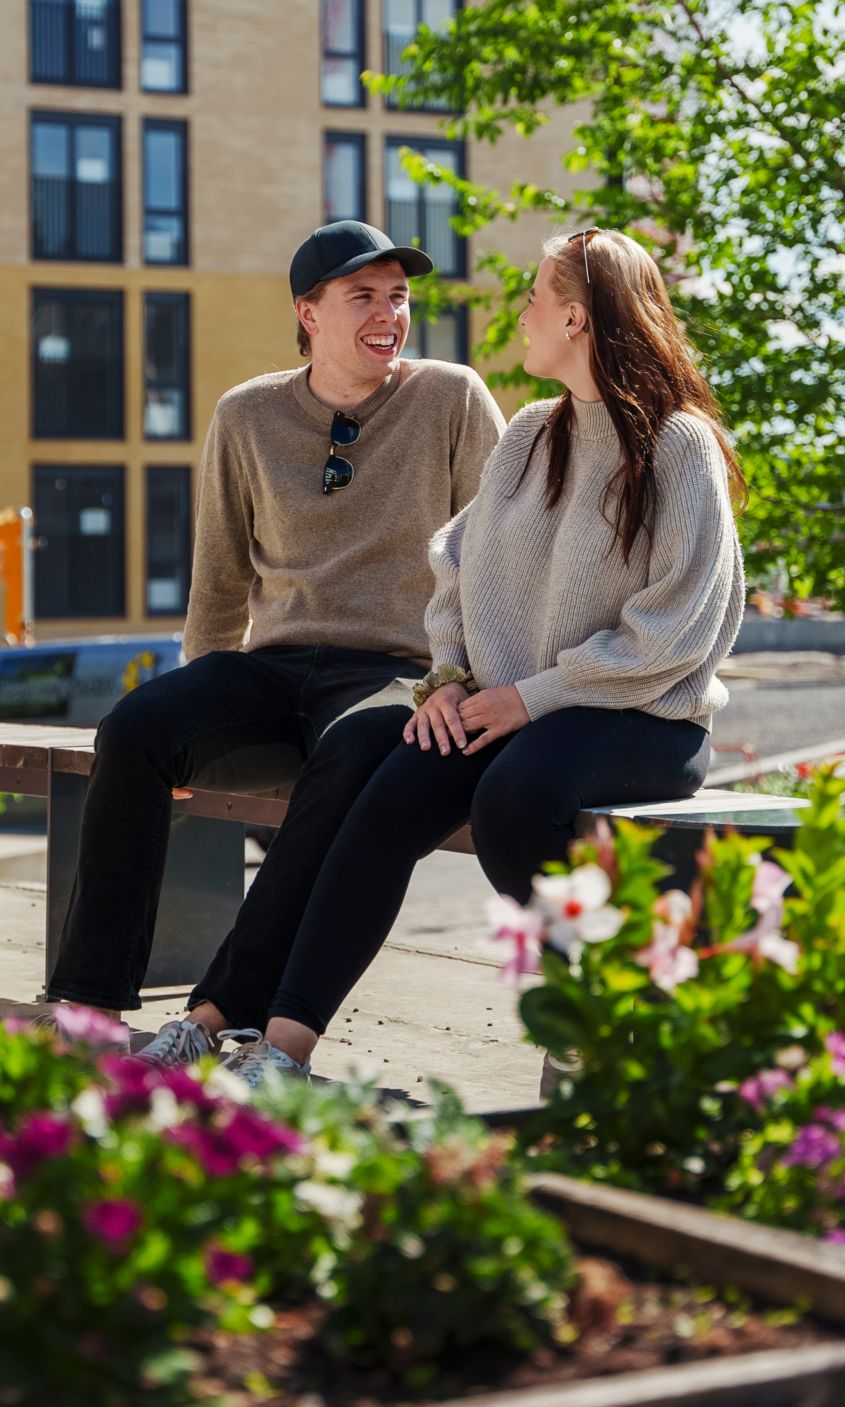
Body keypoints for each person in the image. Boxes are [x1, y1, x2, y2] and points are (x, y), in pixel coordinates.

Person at [145, 226, 746, 1084]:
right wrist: (449, 680)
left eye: (535, 298)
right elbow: (456, 570)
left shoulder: (678, 444)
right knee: (383, 780)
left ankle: (596, 1001)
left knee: (512, 796)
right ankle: (281, 1047)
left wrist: (530, 697)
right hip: (515, 707)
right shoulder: (532, 433)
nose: (523, 314)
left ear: (575, 318)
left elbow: (675, 627)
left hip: (642, 713)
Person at [43, 218, 505, 1038]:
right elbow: (220, 576)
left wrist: (461, 679)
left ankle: (216, 1015)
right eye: (363, 296)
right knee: (135, 728)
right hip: (273, 667)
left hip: (395, 670)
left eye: (398, 297)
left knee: (347, 755)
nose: (388, 314)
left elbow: (499, 558)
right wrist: (193, 714)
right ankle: (90, 1004)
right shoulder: (246, 414)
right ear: (307, 312)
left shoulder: (452, 397)